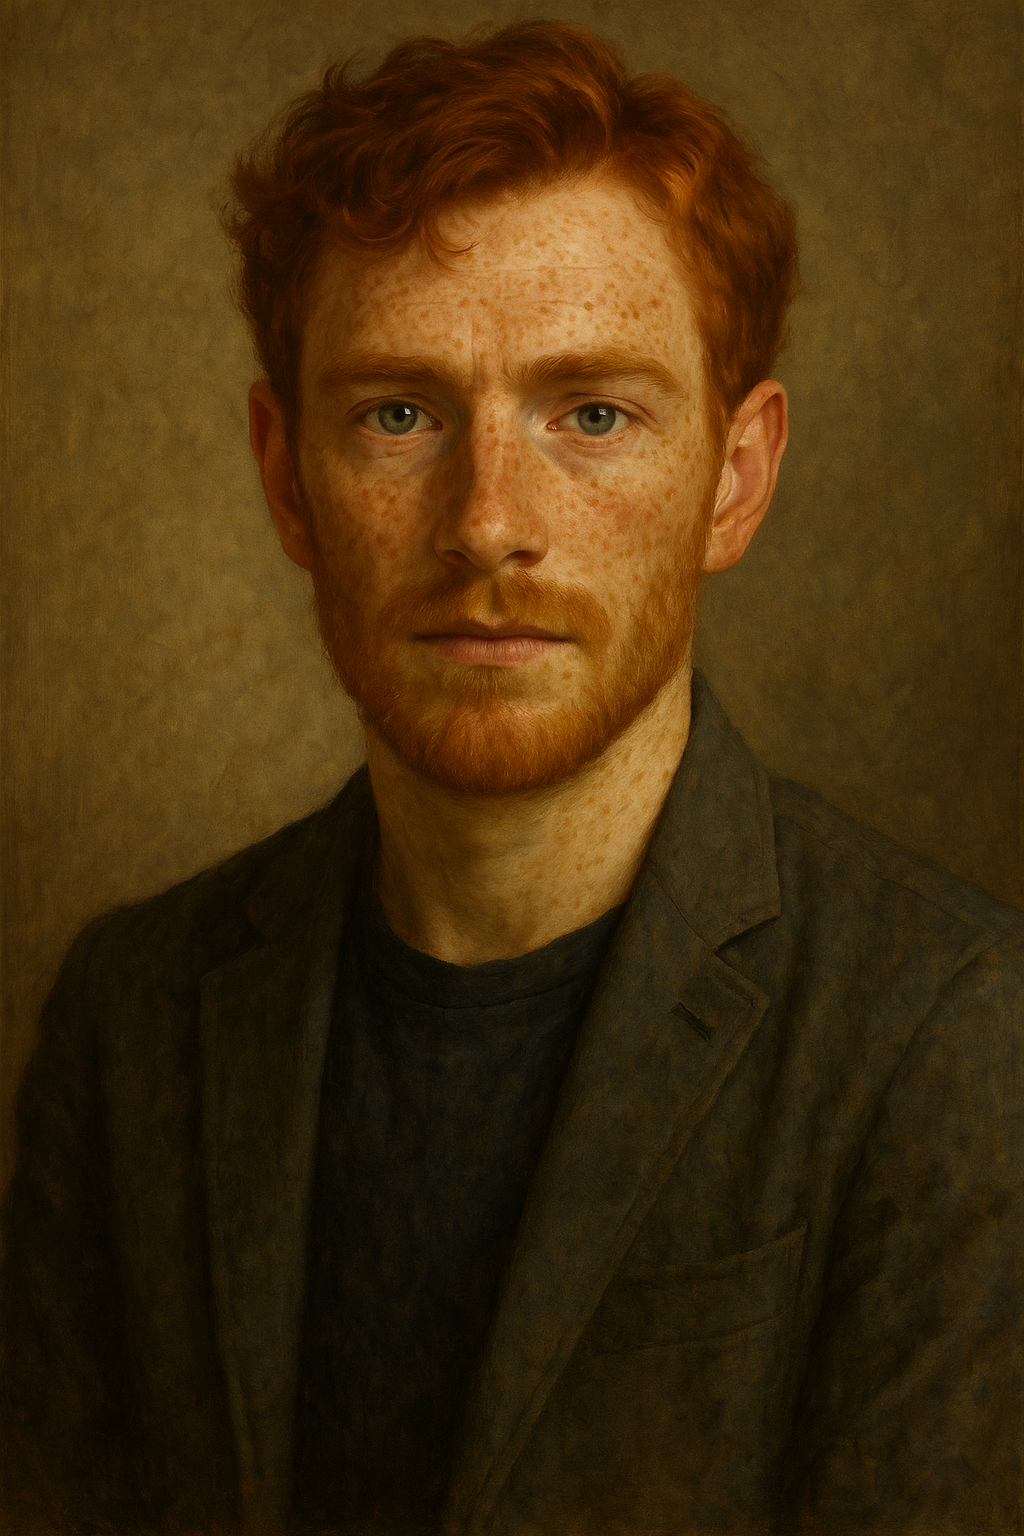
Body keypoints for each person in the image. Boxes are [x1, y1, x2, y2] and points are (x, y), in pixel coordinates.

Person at [2, 20, 1021, 1536]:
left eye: (592, 414)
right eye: (398, 414)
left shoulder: (950, 1030)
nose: (488, 525)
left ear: (733, 480)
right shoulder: (131, 1019)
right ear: (288, 476)